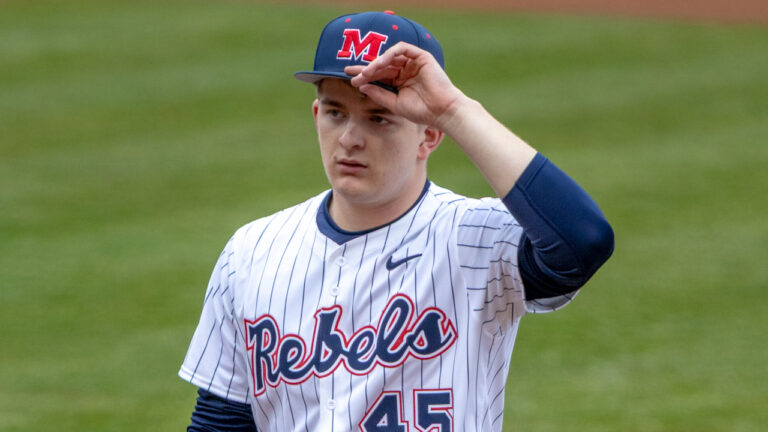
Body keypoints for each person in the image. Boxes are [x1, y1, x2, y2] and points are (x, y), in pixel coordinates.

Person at [179, 10, 614, 432]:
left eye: (378, 118)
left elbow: (583, 242)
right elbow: (222, 423)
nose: (349, 138)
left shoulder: (475, 240)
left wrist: (456, 111)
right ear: (316, 117)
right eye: (335, 112)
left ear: (429, 134)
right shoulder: (252, 251)